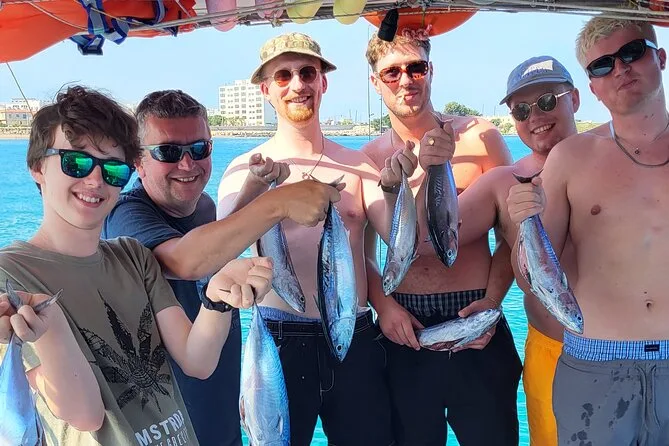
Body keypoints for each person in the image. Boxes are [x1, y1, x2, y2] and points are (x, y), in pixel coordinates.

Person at [0, 85, 271, 445]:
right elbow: (85, 414)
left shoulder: (133, 256)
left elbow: (198, 360)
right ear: (38, 168)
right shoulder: (10, 275)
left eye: (113, 169)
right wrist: (52, 326)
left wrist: (217, 298)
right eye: (76, 162)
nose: (96, 180)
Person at [102, 89, 340, 445]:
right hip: (167, 429)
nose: (187, 164)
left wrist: (254, 188)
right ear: (138, 160)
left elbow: (215, 249)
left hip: (219, 418)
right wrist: (278, 203)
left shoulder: (203, 206)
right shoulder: (124, 216)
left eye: (199, 149)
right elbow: (184, 262)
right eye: (168, 152)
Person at [217, 32, 394, 446]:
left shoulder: (359, 167)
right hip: (277, 339)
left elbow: (401, 239)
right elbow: (220, 250)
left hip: (354, 334)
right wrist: (257, 190)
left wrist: (397, 186)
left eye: (307, 73)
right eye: (283, 76)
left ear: (323, 82)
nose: (297, 84)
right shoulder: (244, 169)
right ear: (266, 89)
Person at [507, 17, 669, 445]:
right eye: (602, 65)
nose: (620, 68)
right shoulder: (569, 158)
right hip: (596, 364)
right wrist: (526, 221)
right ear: (593, 87)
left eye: (632, 52)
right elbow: (530, 278)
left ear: (660, 57)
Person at [362, 30, 522, 446]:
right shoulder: (367, 159)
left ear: (430, 70)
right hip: (406, 329)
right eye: (391, 72)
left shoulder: (481, 137)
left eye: (415, 68)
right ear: (375, 81)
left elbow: (512, 237)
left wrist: (493, 302)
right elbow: (362, 255)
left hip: (476, 321)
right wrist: (384, 306)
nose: (405, 80)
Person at [457, 55, 580, 446]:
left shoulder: (616, 159)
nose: (535, 116)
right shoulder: (503, 181)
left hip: (630, 349)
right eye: (522, 110)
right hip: (549, 350)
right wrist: (425, 171)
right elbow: (432, 240)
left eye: (547, 101)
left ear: (575, 99)